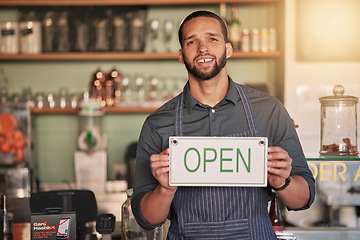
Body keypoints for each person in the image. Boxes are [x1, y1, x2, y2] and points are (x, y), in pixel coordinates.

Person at [131, 10, 315, 239]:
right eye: (192, 41)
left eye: (212, 39)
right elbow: (146, 219)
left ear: (228, 48)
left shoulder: (269, 110)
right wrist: (165, 189)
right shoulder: (158, 123)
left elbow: (303, 199)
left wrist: (283, 182)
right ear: (181, 55)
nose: (202, 48)